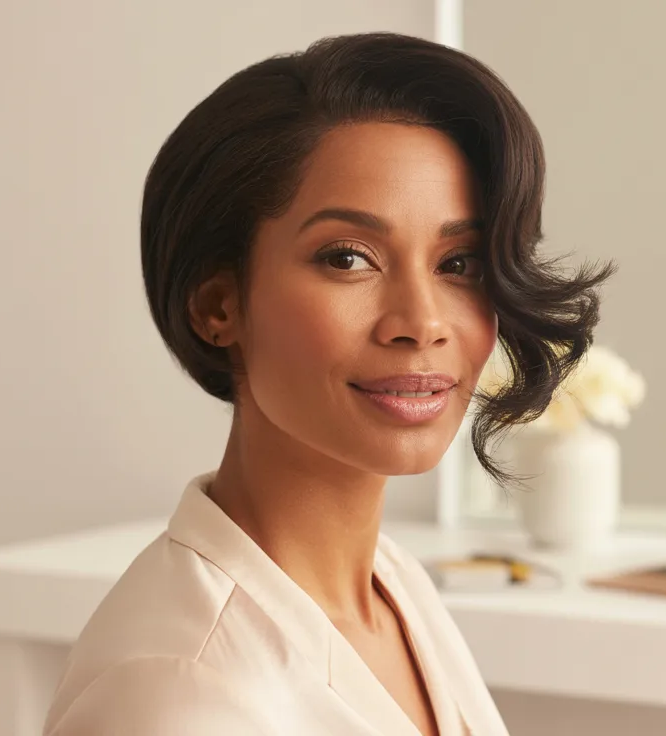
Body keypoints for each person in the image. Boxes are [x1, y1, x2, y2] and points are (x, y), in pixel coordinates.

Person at [42, 32, 611, 735]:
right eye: (349, 258)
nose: (422, 322)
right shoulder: (179, 693)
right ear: (218, 305)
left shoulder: (391, 588)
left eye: (459, 263)